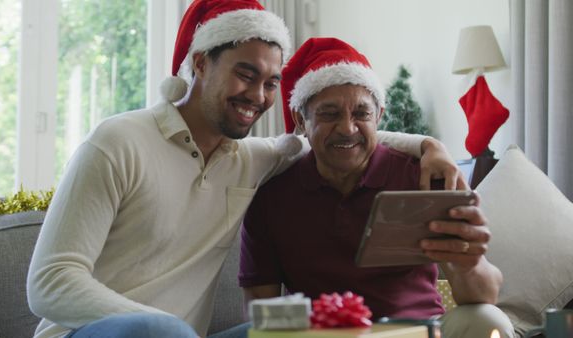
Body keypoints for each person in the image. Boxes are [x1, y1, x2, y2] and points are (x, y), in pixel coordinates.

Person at [27, 1, 465, 338]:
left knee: (307, 334)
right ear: (200, 62)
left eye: (271, 82)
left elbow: (336, 135)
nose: (258, 95)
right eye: (245, 74)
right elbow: (49, 283)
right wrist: (167, 328)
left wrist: (429, 146)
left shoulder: (251, 159)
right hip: (96, 333)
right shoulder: (118, 141)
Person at [239, 37, 514, 338]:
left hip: (423, 331)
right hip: (325, 335)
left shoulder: (423, 178)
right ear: (300, 120)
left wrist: (469, 265)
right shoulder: (271, 197)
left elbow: (484, 295)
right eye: (329, 114)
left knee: (490, 320)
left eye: (361, 114)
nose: (347, 128)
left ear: (379, 116)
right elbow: (261, 307)